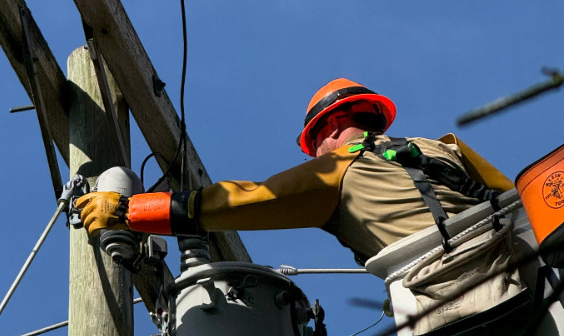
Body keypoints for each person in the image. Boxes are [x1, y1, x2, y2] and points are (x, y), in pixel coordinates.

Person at [75, 78, 513, 266]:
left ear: (333, 125)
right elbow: (518, 200)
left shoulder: (341, 170)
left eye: (315, 144)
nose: (313, 156)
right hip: (521, 266)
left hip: (453, 289)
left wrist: (130, 211)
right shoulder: (444, 148)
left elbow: (249, 199)